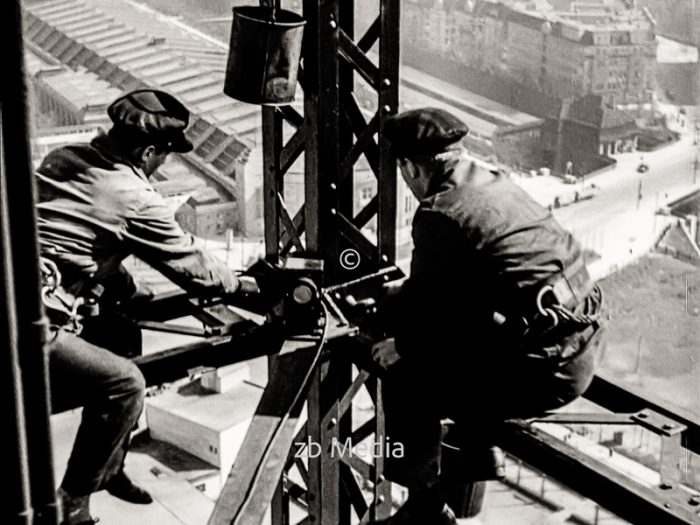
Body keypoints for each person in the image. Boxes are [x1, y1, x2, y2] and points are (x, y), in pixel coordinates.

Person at [370, 108, 605, 524]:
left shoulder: (440, 213)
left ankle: (424, 508)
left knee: (405, 373)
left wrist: (400, 343)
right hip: (582, 343)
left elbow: (427, 316)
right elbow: (467, 289)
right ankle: (473, 443)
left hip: (544, 374)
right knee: (440, 331)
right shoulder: (497, 183)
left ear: (409, 168)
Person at [36, 89, 258, 525]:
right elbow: (192, 266)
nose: (161, 169)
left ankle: (110, 467)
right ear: (149, 150)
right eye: (164, 158)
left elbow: (76, 236)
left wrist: (125, 287)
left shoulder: (64, 158)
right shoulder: (135, 196)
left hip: (24, 290)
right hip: (34, 322)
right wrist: (243, 286)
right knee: (125, 385)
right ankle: (72, 502)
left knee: (120, 333)